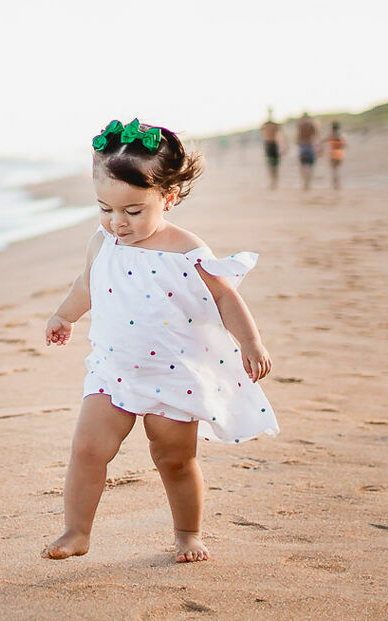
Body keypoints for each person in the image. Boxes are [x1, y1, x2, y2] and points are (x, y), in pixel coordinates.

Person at [42, 118, 279, 564]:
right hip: (114, 369)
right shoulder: (102, 242)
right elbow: (87, 284)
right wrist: (63, 315)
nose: (117, 222)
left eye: (133, 211)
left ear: (167, 198)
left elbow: (225, 298)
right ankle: (76, 530)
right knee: (88, 448)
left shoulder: (187, 250)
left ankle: (187, 532)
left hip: (174, 373)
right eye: (105, 209)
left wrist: (251, 343)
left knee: (173, 458)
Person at [295, 112, 319, 190]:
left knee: (303, 166)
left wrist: (299, 143)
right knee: (310, 166)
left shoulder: (300, 125)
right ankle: (308, 183)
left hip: (302, 146)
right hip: (310, 146)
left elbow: (296, 138)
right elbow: (317, 136)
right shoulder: (312, 125)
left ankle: (304, 181)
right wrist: (319, 147)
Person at [260, 110, 282, 190]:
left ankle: (273, 181)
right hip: (272, 145)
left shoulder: (267, 125)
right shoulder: (273, 125)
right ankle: (273, 181)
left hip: (270, 145)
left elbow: (263, 135)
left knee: (272, 165)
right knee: (273, 164)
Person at [326, 121, 346, 190]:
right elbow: (344, 144)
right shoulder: (341, 135)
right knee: (337, 169)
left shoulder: (331, 135)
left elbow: (325, 141)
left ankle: (334, 184)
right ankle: (338, 184)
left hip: (332, 153)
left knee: (334, 170)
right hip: (339, 153)